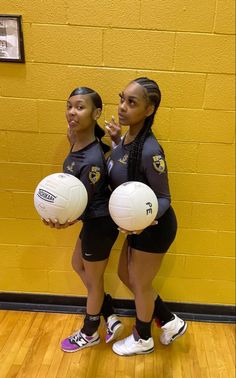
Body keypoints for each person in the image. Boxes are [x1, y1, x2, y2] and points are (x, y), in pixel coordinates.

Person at [105, 77, 187, 356]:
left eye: (132, 102)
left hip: (155, 226)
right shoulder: (128, 137)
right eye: (121, 98)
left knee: (139, 283)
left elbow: (164, 198)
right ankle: (169, 321)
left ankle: (142, 338)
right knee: (124, 274)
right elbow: (125, 166)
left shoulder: (151, 150)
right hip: (136, 227)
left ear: (149, 110)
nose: (122, 107)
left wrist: (147, 221)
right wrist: (117, 141)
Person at [43, 86, 123, 352]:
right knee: (78, 264)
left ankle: (90, 332)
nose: (72, 112)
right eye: (69, 106)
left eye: (80, 107)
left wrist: (60, 220)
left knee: (94, 280)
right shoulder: (78, 139)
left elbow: (78, 204)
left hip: (100, 223)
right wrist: (70, 142)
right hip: (92, 221)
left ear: (96, 112)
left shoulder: (93, 161)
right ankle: (109, 312)